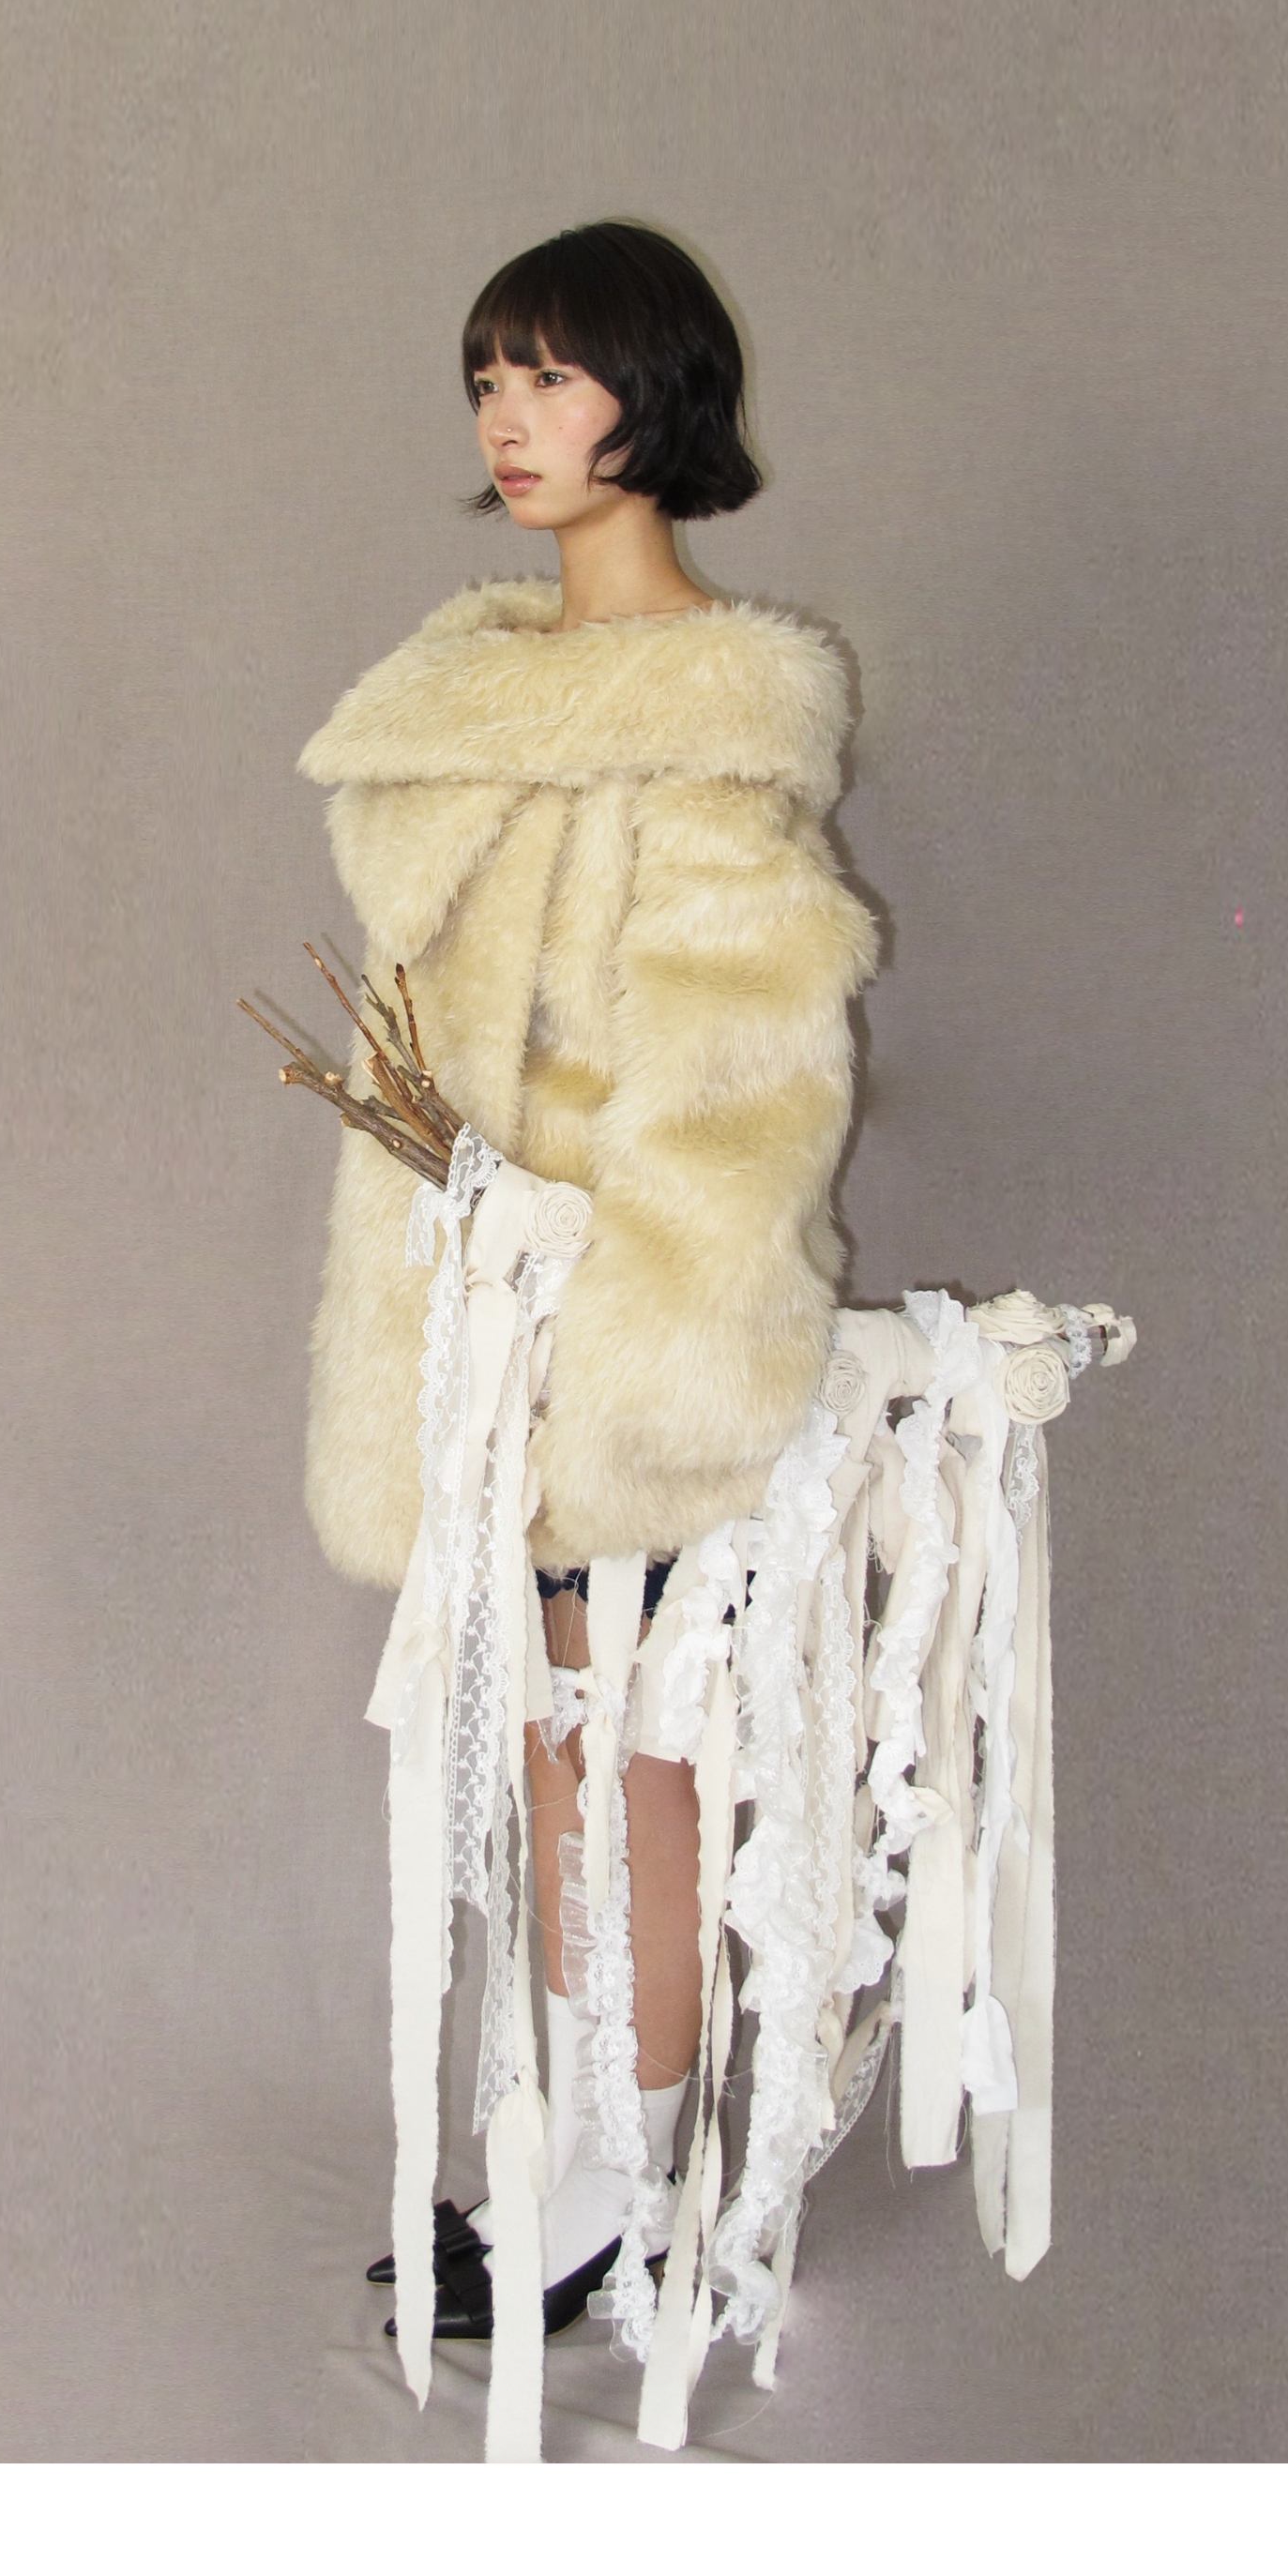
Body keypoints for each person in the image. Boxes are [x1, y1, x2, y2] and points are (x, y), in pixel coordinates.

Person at [296, 219, 879, 2343]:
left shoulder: (706, 728)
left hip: (623, 1337)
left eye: (551, 374)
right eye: (488, 378)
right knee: (553, 1748)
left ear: (657, 393)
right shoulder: (476, 716)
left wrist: (639, 1349)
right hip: (483, 1336)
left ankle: (626, 2188)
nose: (508, 418)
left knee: (629, 1755)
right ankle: (575, 2167)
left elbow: (744, 1091)